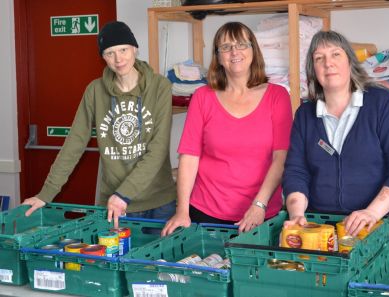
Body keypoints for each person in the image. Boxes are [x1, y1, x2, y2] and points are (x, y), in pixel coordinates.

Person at [22, 21, 176, 228]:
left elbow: (158, 150)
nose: (118, 59)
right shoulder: (94, 91)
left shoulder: (160, 86)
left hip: (159, 202)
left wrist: (125, 194)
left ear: (135, 49)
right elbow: (74, 144)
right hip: (116, 204)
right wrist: (46, 194)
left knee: (159, 261)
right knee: (116, 260)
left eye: (123, 50)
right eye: (110, 53)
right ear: (103, 57)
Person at [282, 31, 389, 237]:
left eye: (336, 54)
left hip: (383, 224)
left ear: (350, 61)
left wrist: (371, 212)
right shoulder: (305, 114)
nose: (328, 63)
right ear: (313, 71)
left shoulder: (383, 104)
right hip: (324, 229)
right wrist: (297, 215)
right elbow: (296, 171)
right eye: (319, 58)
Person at [161, 22, 292, 236]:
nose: (234, 52)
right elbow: (189, 158)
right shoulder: (202, 97)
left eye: (241, 44)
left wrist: (260, 205)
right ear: (218, 57)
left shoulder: (277, 96)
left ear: (253, 51)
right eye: (226, 47)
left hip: (261, 214)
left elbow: (281, 158)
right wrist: (182, 210)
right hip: (205, 213)